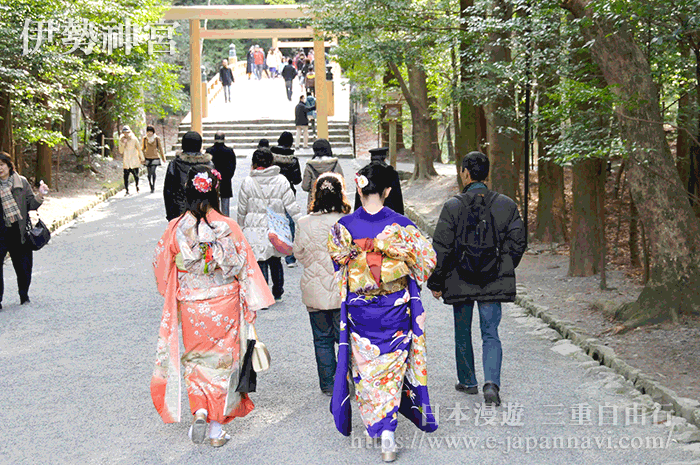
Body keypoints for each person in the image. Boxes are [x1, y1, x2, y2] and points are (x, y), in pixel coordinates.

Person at [152, 165, 274, 448]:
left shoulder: (176, 228)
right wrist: (251, 303)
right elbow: (246, 267)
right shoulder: (227, 227)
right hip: (224, 302)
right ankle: (216, 429)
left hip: (193, 303)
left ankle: (200, 410)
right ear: (216, 193)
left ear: (187, 192)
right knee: (222, 362)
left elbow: (161, 266)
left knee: (195, 358)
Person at [328, 162, 438, 462]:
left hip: (360, 312)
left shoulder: (344, 227)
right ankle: (387, 432)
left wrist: (361, 259)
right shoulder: (402, 225)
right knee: (389, 369)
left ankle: (379, 425)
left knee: (365, 368)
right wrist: (396, 260)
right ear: (387, 191)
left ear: (359, 188)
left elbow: (338, 263)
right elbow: (427, 261)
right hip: (394, 309)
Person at [427, 151, 527, 407]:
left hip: (459, 278)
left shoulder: (452, 206)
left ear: (465, 173)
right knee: (490, 332)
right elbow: (517, 242)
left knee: (462, 331)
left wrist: (436, 282)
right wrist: (504, 265)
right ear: (487, 173)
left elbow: (442, 249)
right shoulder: (506, 205)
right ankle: (491, 383)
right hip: (493, 279)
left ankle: (468, 380)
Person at [293, 172, 350, 396]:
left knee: (321, 339)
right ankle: (347, 380)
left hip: (314, 288)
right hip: (341, 288)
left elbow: (298, 253)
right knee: (346, 339)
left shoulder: (304, 223)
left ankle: (328, 384)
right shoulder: (347, 221)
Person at [237, 148, 302, 302]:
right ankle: (278, 291)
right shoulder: (281, 180)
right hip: (276, 226)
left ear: (254, 163)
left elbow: (242, 208)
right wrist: (301, 223)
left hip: (254, 227)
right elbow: (291, 205)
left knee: (260, 260)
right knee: (275, 258)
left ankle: (264, 295)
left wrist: (241, 226)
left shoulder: (248, 181)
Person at [0, 152, 48, 308]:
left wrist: (40, 195)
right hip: (1, 231)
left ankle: (23, 294)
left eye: (1, 165)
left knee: (24, 267)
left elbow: (31, 205)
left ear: (8, 165)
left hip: (18, 230)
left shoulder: (21, 182)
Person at [163, 131, 213, 221]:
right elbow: (214, 192)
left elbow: (168, 192)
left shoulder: (175, 164)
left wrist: (170, 215)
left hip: (180, 212)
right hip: (205, 211)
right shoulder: (209, 165)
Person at [271, 132, 302, 268]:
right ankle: (290, 258)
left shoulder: (271, 158)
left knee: (273, 221)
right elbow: (297, 180)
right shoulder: (293, 160)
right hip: (288, 192)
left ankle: (274, 253)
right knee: (290, 223)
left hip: (273, 193)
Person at [353, 147, 404, 215]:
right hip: (388, 215)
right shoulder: (391, 173)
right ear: (384, 159)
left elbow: (358, 200)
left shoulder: (363, 172)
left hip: (367, 214)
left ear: (371, 158)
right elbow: (397, 198)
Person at [301, 139, 343, 211]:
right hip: (333, 201)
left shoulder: (310, 165)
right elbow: (341, 184)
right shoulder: (335, 164)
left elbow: (305, 186)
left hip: (314, 202)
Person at [205, 132, 236, 217]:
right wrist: (228, 176)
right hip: (226, 181)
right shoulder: (229, 151)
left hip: (212, 181)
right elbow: (233, 167)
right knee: (225, 208)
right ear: (224, 139)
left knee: (212, 206)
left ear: (214, 139)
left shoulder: (209, 151)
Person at [118, 125, 144, 195]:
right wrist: (123, 143)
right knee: (126, 176)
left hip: (134, 160)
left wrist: (142, 158)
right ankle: (126, 190)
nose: (126, 134)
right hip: (126, 161)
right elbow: (120, 151)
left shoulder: (134, 139)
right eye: (124, 132)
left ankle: (137, 186)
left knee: (136, 175)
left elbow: (139, 149)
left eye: (127, 132)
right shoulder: (121, 140)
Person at [141, 125, 167, 194]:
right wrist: (142, 158)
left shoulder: (156, 138)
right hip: (147, 157)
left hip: (155, 157)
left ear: (153, 132)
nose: (149, 133)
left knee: (153, 171)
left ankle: (154, 185)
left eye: (151, 131)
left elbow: (160, 148)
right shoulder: (145, 139)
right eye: (148, 131)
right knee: (149, 173)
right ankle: (150, 184)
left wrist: (163, 157)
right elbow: (142, 148)